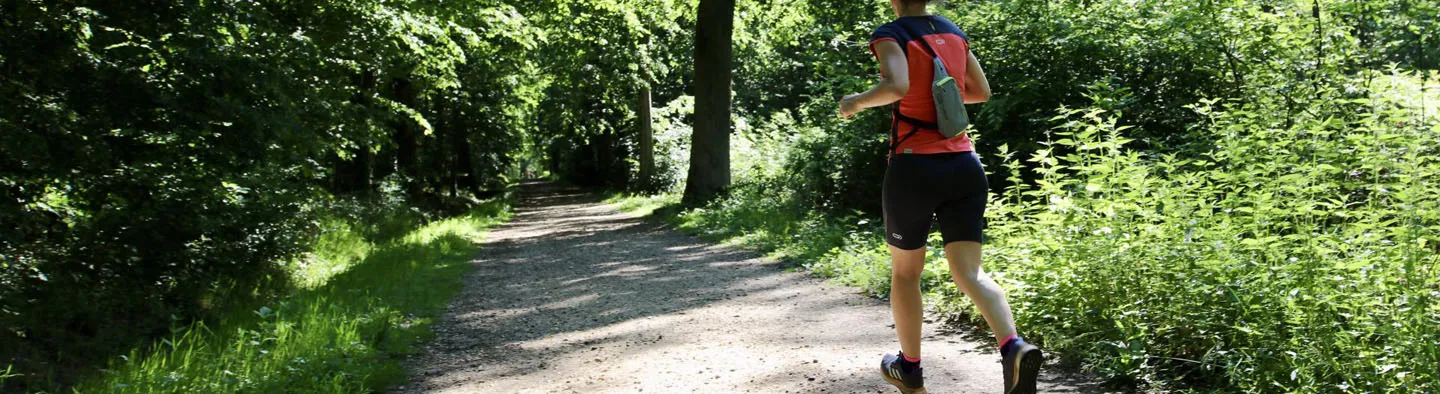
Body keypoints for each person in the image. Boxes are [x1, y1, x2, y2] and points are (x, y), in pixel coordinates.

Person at [838, 1, 1042, 393]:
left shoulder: (890, 34)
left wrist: (857, 101)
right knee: (971, 274)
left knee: (906, 273)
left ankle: (910, 370)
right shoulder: (953, 31)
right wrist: (939, 98)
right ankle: (1013, 346)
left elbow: (896, 86)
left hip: (914, 169)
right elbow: (979, 92)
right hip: (965, 165)